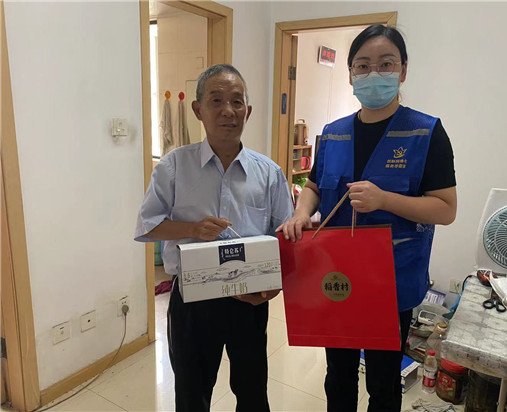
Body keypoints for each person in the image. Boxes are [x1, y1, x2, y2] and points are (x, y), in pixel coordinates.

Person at [277, 25, 457, 412]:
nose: (374, 73)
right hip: (336, 276)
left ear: (403, 70)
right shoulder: (333, 133)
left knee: (383, 381)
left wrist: (385, 200)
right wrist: (301, 213)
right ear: (351, 74)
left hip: (390, 279)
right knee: (338, 374)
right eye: (363, 65)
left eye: (386, 64)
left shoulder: (426, 133)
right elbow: (314, 186)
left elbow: (446, 208)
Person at [135, 64, 293, 412]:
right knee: (192, 392)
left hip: (249, 299)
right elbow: (147, 225)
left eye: (237, 102)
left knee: (253, 391)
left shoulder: (269, 173)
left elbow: (285, 238)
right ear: (198, 110)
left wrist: (273, 289)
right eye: (216, 100)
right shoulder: (174, 167)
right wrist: (192, 229)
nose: (228, 111)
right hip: (193, 300)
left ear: (248, 112)